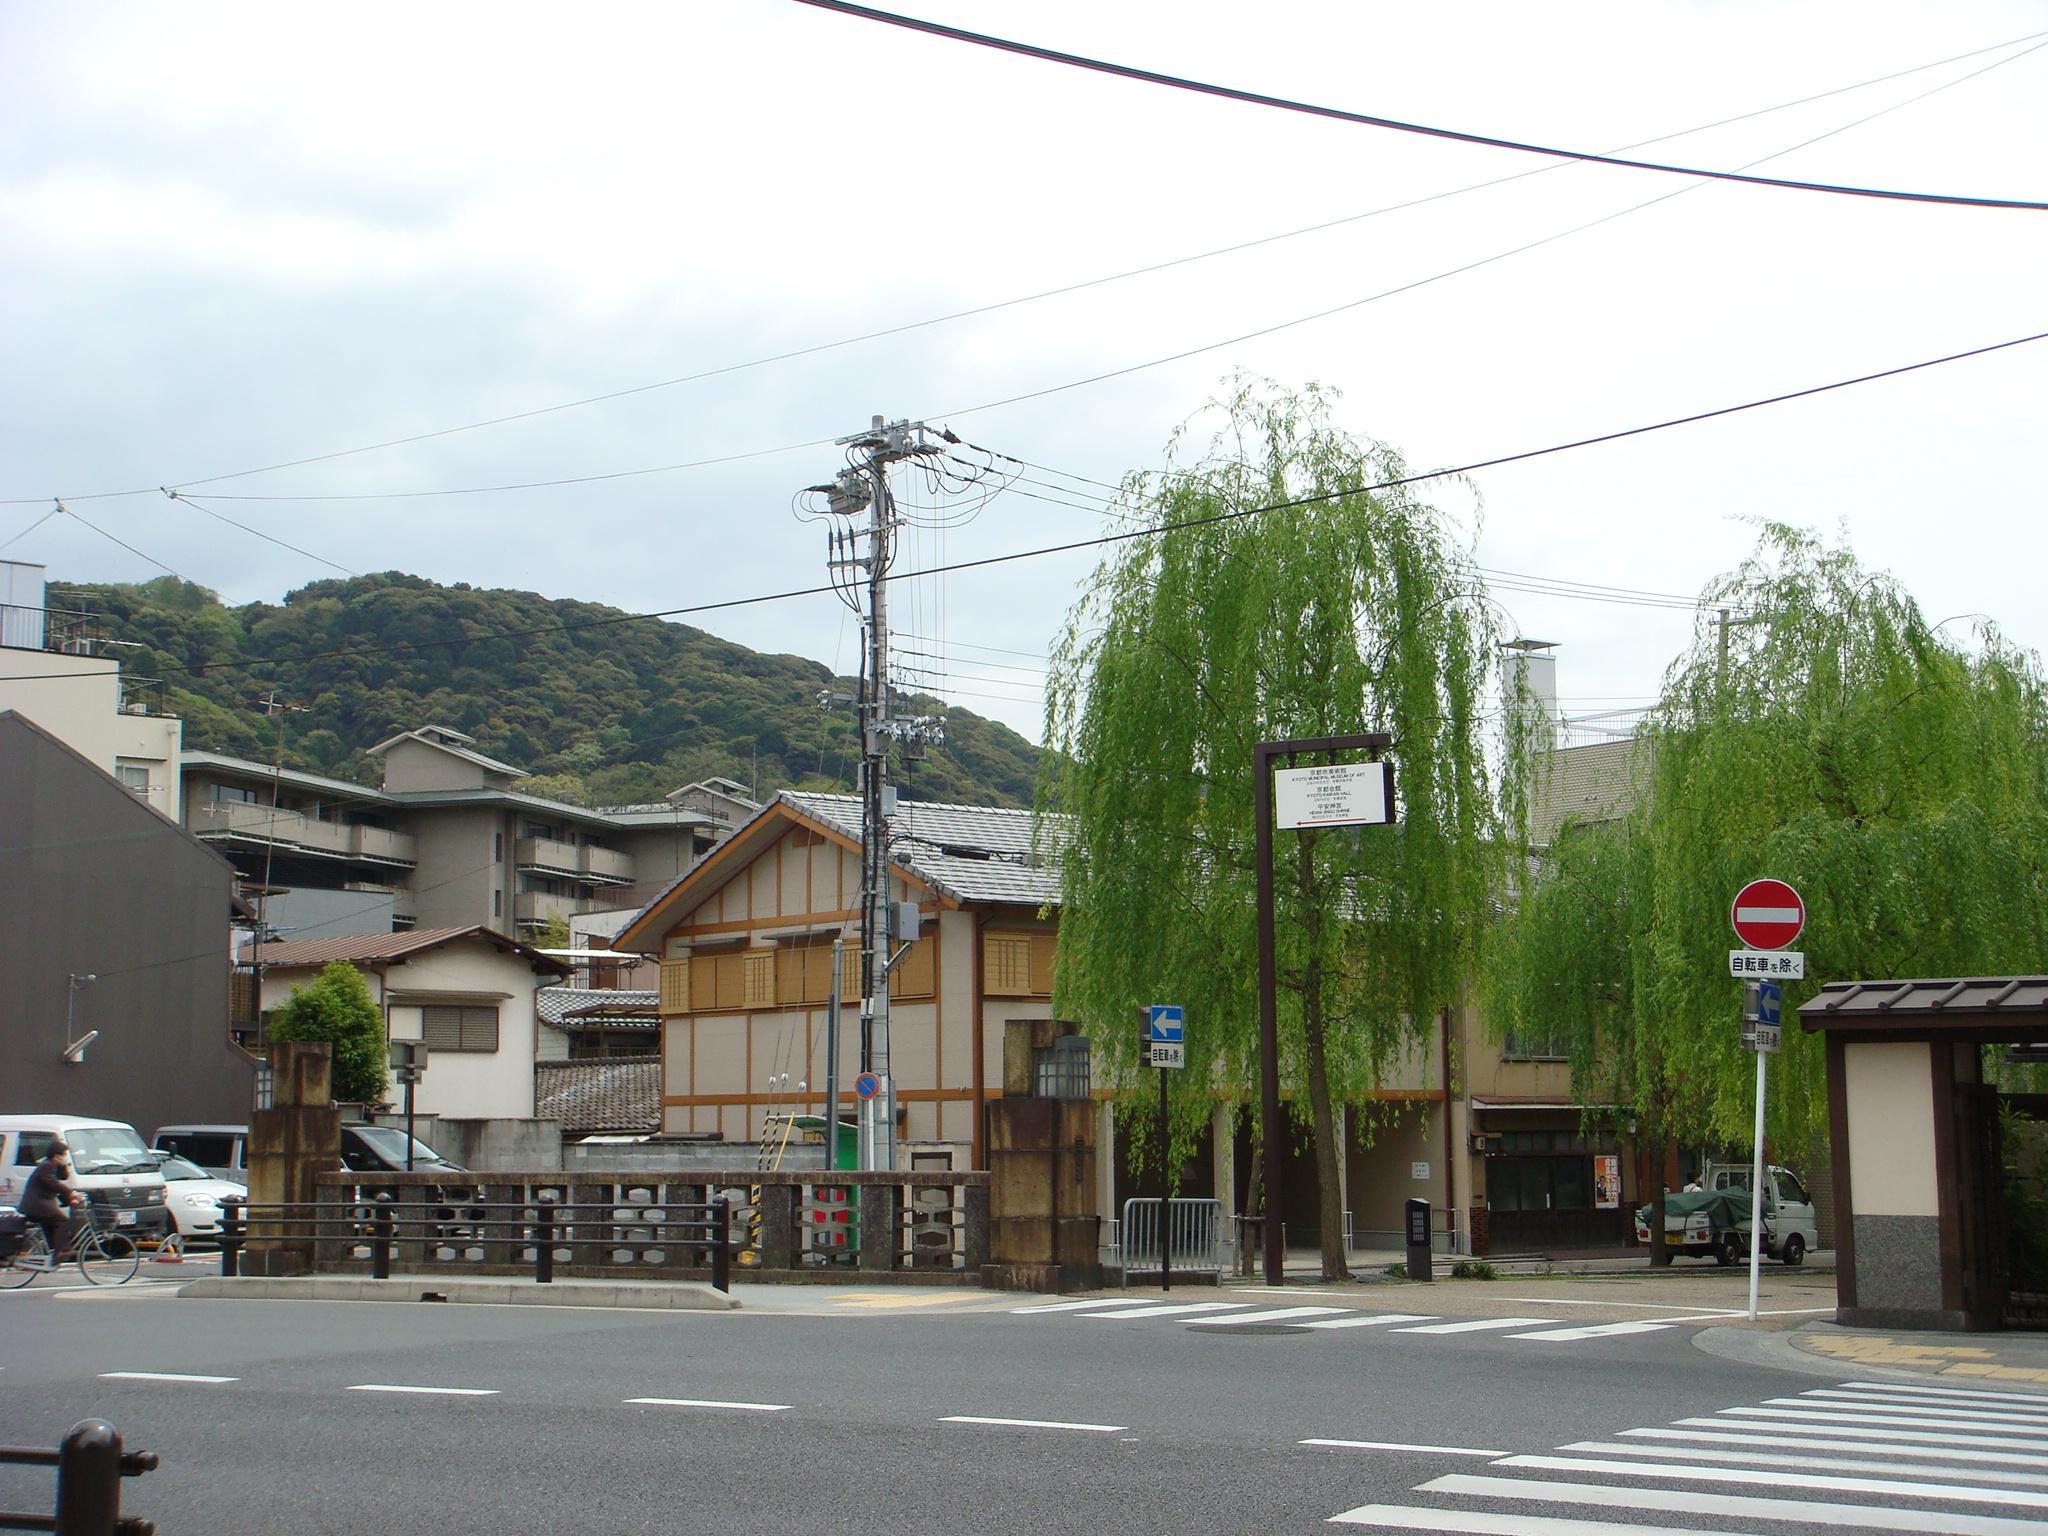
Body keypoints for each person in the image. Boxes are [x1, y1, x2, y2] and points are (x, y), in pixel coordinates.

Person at [18, 1139, 85, 1260]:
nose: (64, 1157)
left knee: (52, 1225)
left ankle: (53, 1253)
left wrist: (64, 1165)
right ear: (55, 1155)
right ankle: (60, 1251)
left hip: (41, 1204)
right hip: (37, 1205)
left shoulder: (51, 1165)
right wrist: (72, 1193)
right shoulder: (46, 1166)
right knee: (62, 1221)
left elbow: (63, 1177)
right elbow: (54, 1184)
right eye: (63, 1155)